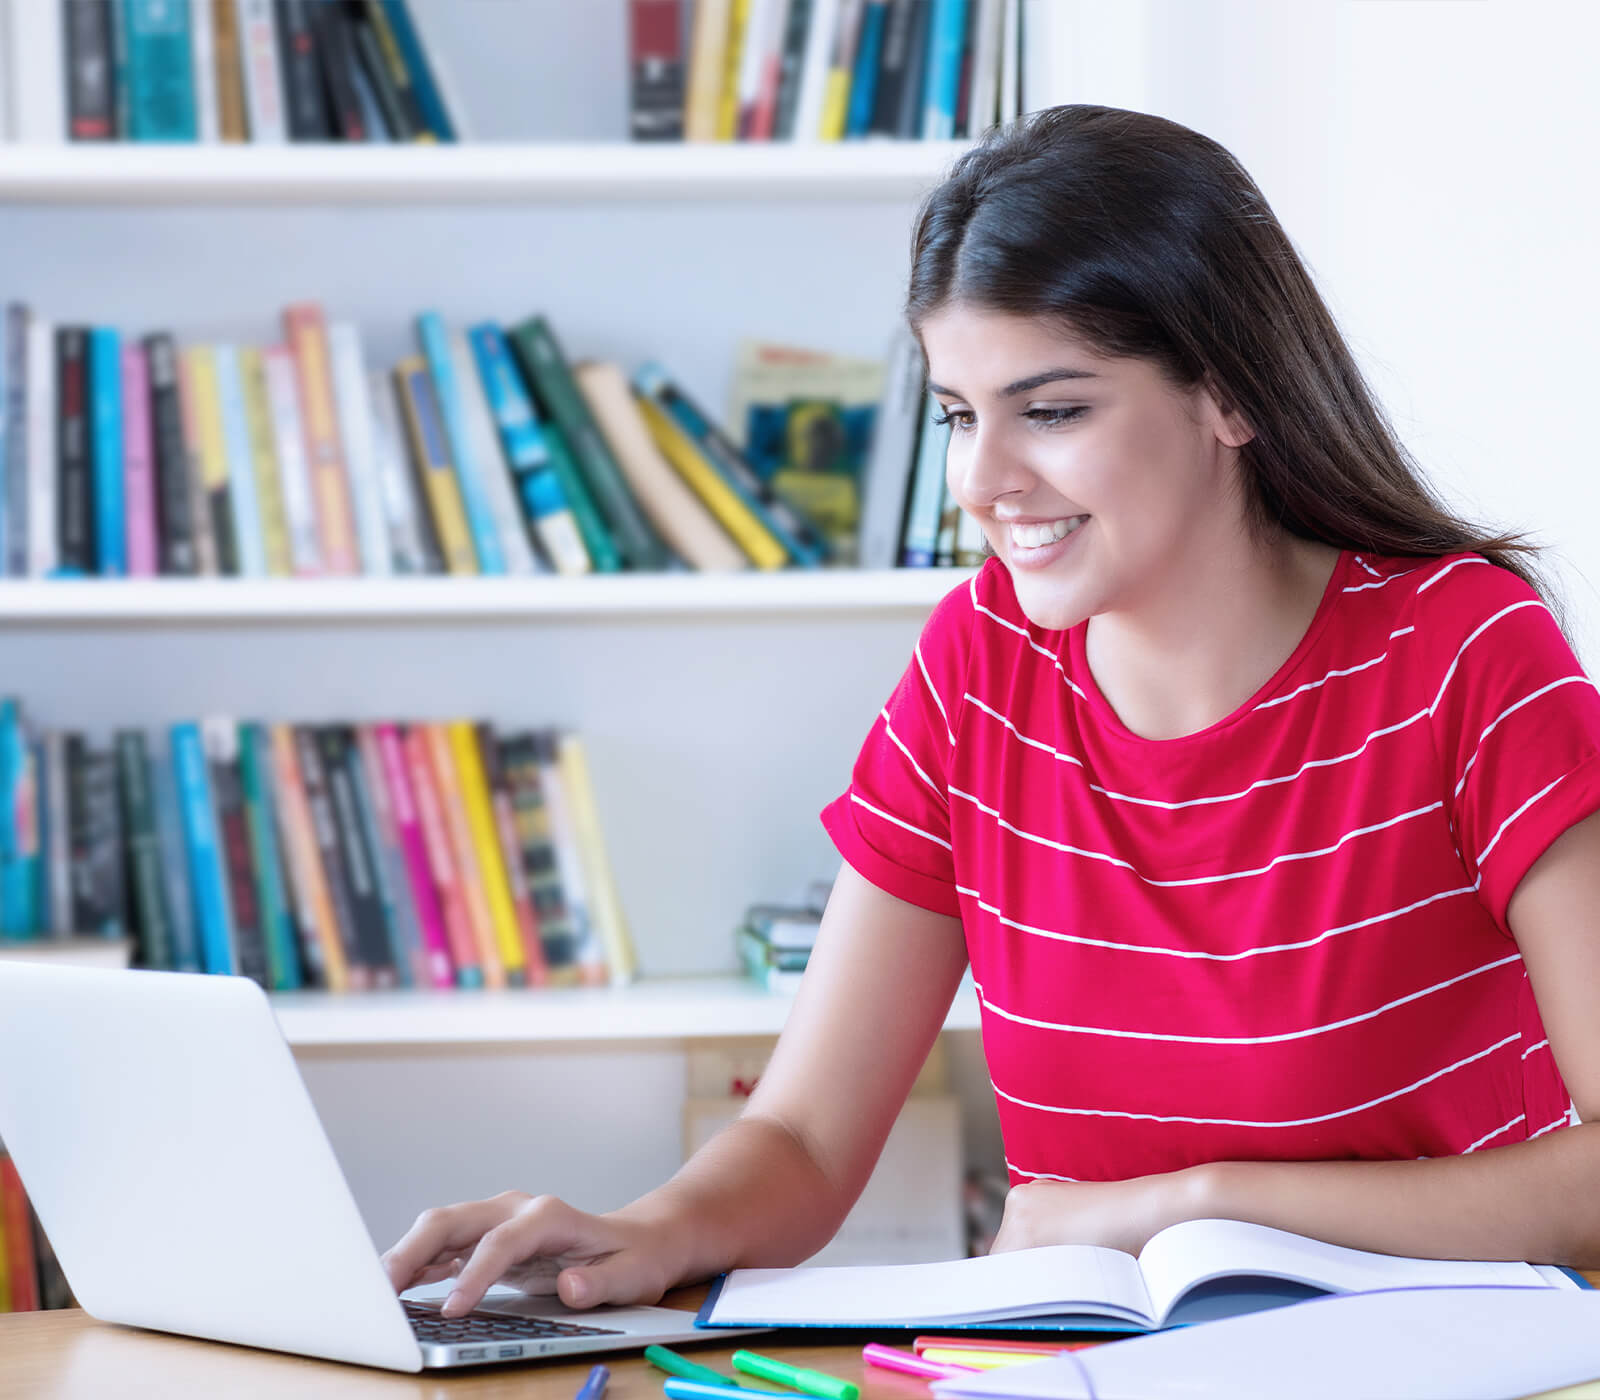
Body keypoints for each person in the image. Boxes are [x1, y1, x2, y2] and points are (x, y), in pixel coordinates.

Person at [382, 105, 1600, 1317]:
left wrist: (1196, 1201)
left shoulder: (1467, 651)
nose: (982, 478)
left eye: (1053, 409)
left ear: (1229, 396)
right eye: (960, 413)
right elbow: (806, 1136)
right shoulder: (982, 664)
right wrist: (633, 1235)